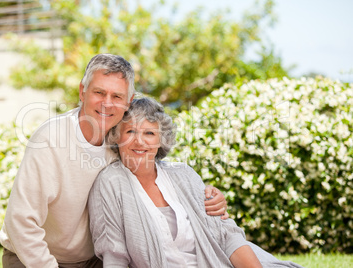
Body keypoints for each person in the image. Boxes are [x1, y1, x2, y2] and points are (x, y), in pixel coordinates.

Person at [0, 54, 228, 268]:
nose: (107, 103)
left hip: (93, 260)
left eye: (117, 96)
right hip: (34, 257)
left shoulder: (121, 139)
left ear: (129, 101)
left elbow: (155, 165)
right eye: (99, 92)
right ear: (82, 91)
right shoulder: (51, 139)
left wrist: (203, 194)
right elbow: (21, 222)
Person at [88, 97, 304, 268]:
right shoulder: (110, 183)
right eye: (130, 131)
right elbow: (114, 256)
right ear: (116, 136)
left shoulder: (183, 174)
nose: (139, 141)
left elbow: (226, 235)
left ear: (161, 140)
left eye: (150, 133)